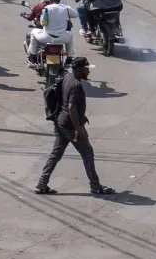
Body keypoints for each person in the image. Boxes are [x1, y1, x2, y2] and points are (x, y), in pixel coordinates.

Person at [37, 57, 113, 196]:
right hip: (70, 125)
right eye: (86, 69)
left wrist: (81, 115)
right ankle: (95, 186)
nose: (88, 72)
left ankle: (42, 183)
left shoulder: (67, 77)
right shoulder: (76, 85)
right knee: (87, 153)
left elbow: (66, 101)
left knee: (56, 154)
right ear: (78, 69)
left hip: (60, 121)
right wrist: (78, 128)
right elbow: (71, 107)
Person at [26, 0, 77, 65]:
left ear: (50, 0)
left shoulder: (47, 8)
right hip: (62, 38)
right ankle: (69, 58)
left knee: (33, 32)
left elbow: (43, 22)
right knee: (70, 35)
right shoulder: (66, 8)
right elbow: (76, 15)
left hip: (47, 37)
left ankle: (33, 57)